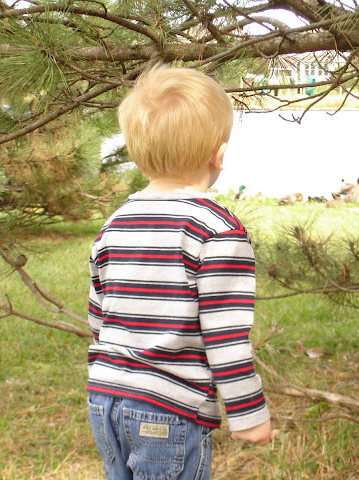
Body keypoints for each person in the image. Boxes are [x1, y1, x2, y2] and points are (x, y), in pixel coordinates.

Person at [86, 64, 274, 480]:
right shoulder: (216, 230)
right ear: (219, 154)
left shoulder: (116, 223)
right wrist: (249, 415)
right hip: (169, 408)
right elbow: (225, 337)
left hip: (104, 399)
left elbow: (99, 318)